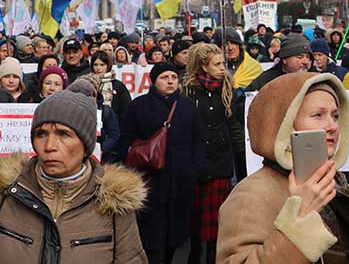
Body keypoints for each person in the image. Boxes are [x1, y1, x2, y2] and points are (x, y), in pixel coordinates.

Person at [217, 72, 349, 263]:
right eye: (317, 115)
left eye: (335, 116)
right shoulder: (251, 195)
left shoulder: (343, 188)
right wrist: (300, 220)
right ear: (285, 125)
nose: (332, 126)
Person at [0, 79, 147, 262]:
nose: (49, 146)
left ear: (86, 145)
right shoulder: (7, 191)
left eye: (64, 134)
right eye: (41, 134)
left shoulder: (115, 203)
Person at [118, 63, 202, 264]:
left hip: (181, 178)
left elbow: (198, 140)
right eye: (164, 77)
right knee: (152, 233)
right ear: (154, 81)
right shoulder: (139, 106)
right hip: (150, 178)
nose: (170, 81)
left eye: (174, 77)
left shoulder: (187, 106)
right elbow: (126, 139)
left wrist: (193, 171)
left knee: (177, 232)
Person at [183, 43, 246, 264]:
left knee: (217, 217)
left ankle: (213, 256)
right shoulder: (188, 90)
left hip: (221, 159)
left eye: (223, 64)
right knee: (195, 215)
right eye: (217, 64)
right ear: (203, 66)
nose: (222, 68)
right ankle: (193, 254)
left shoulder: (227, 89)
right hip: (196, 160)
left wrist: (242, 153)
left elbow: (233, 123)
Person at [246, 34, 313, 92]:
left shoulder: (313, 79)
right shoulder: (265, 81)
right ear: (284, 59)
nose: (305, 62)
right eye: (299, 57)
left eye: (308, 57)